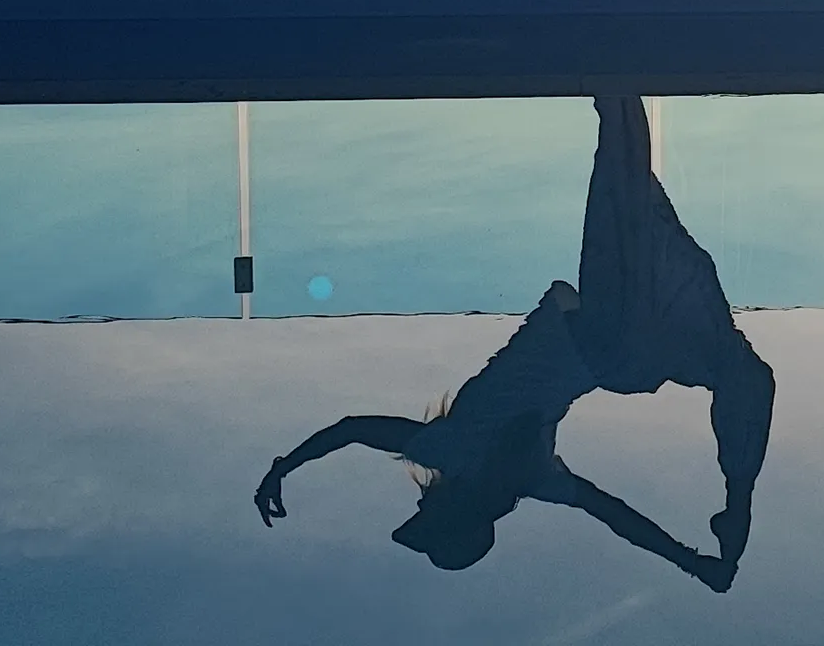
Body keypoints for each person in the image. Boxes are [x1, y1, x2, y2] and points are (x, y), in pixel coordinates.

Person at [252, 95, 775, 589]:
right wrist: (283, 468)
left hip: (623, 360)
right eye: (423, 518)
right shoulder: (450, 450)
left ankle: (740, 505)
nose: (414, 508)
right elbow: (351, 429)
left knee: (627, 188)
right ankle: (739, 506)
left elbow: (615, 516)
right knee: (622, 178)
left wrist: (690, 562)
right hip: (604, 340)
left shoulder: (531, 478)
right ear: (454, 516)